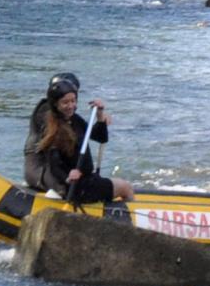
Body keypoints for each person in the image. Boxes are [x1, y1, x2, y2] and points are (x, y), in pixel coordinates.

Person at [22, 73, 134, 205]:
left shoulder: (73, 119)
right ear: (56, 103)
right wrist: (68, 177)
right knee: (125, 187)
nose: (70, 105)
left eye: (73, 100)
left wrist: (100, 116)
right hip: (74, 184)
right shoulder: (52, 124)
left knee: (116, 184)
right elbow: (54, 162)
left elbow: (100, 137)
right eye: (65, 102)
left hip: (83, 178)